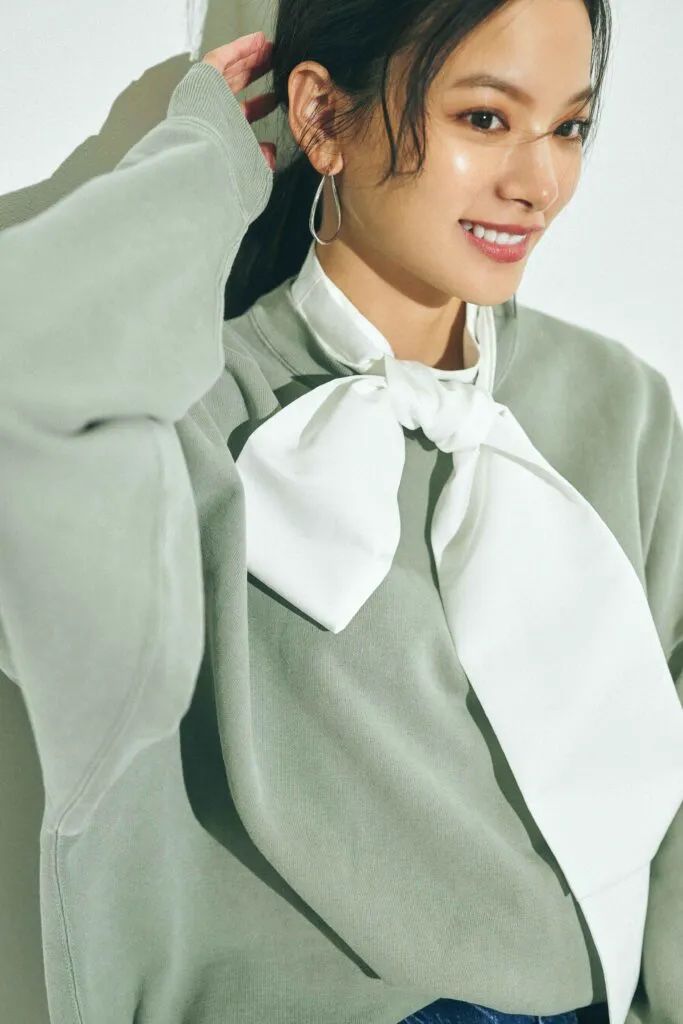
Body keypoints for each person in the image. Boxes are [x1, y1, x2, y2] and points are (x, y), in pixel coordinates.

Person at [1, 2, 681, 1023]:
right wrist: (206, 165)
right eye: (484, 119)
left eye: (568, 127)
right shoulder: (194, 415)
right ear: (321, 116)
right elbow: (21, 378)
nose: (539, 182)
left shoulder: (616, 410)